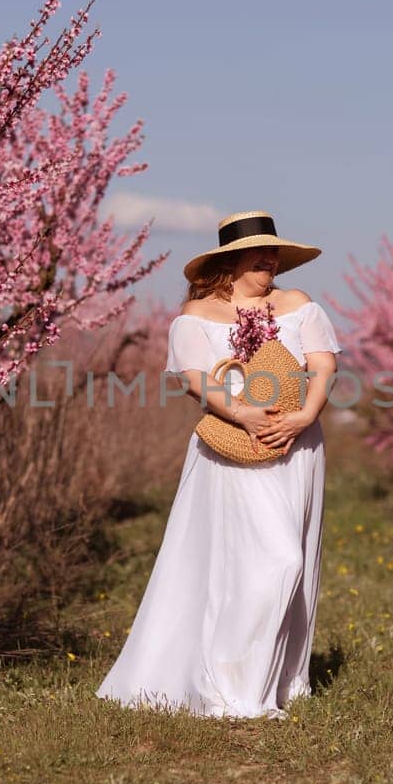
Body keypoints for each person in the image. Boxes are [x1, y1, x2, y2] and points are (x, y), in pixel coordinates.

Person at [95, 210, 342, 719]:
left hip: (299, 447)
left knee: (291, 564)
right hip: (231, 447)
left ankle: (271, 681)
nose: (269, 260)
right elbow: (197, 380)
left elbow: (323, 364)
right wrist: (245, 414)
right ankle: (230, 689)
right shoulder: (195, 315)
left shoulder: (298, 306)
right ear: (231, 260)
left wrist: (304, 416)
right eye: (259, 252)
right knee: (274, 561)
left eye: (274, 252)